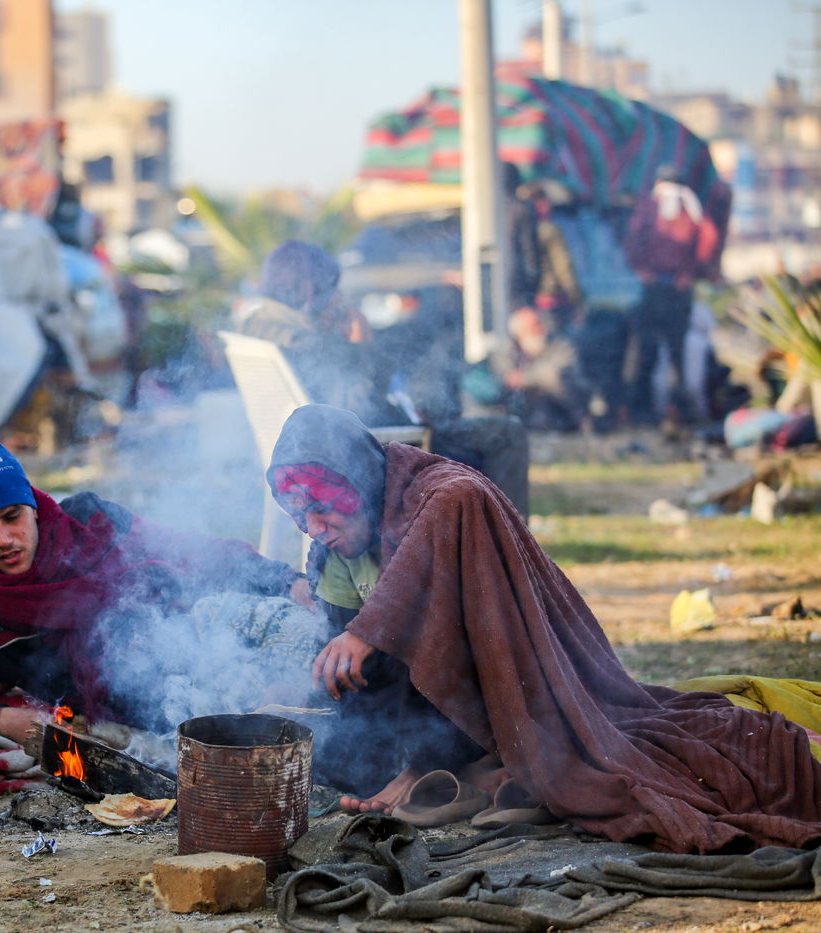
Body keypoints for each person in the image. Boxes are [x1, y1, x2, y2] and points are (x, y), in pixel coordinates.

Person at [267, 403, 821, 853]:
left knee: (606, 768)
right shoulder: (335, 555)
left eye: (325, 509)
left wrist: (369, 630)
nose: (316, 528)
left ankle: (480, 766)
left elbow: (458, 509)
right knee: (333, 755)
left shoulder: (440, 493)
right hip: (429, 709)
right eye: (301, 517)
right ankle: (467, 770)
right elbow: (368, 679)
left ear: (362, 484)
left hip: (508, 688)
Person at [0, 436, 310, 745]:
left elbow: (192, 554)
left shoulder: (92, 522)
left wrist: (285, 580)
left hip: (201, 655)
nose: (5, 539)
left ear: (33, 507)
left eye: (13, 517)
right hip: (140, 718)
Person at [233, 239, 531, 516]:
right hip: (374, 451)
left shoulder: (258, 326)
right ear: (311, 289)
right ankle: (511, 548)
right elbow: (359, 404)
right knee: (506, 434)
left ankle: (484, 541)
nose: (336, 298)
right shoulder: (304, 340)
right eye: (331, 288)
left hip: (318, 452)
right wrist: (361, 341)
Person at [623, 163, 721, 425]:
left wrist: (689, 273)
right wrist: (642, 269)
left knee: (676, 353)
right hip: (654, 290)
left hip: (677, 292)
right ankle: (643, 410)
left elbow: (707, 241)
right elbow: (634, 240)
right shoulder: (652, 208)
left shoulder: (690, 211)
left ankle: (678, 410)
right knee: (648, 350)